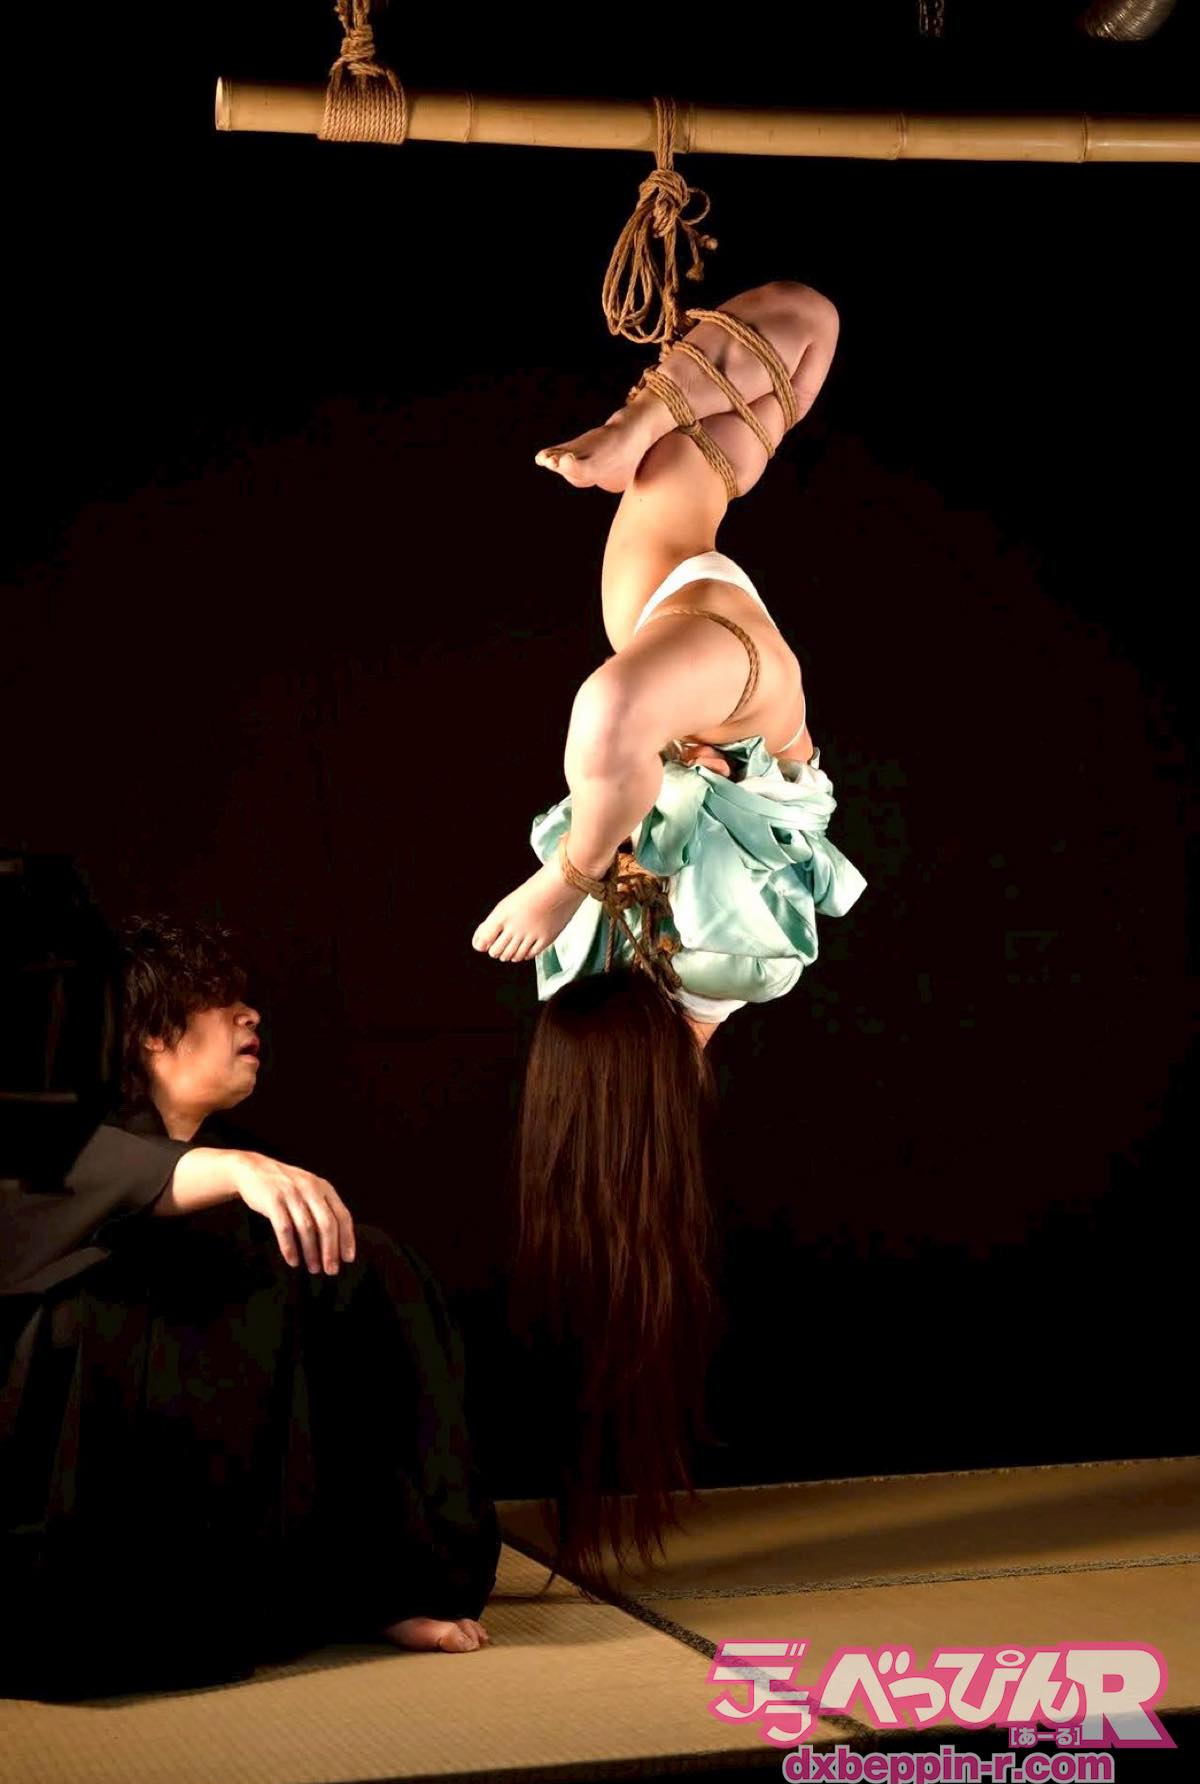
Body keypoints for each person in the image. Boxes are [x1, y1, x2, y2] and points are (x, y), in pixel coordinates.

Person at [472, 281, 867, 1590]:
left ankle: (643, 421)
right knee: (606, 721)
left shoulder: (611, 992)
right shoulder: (721, 967)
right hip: (746, 726)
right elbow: (624, 761)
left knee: (786, 342)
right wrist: (569, 874)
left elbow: (797, 322)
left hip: (671, 671)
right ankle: (639, 427)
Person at [0, 916, 499, 1699]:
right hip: (70, 1504)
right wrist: (232, 1168)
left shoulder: (236, 1170)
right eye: (219, 1002)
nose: (250, 1015)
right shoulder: (53, 1136)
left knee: (362, 1266)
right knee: (106, 1310)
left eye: (246, 1001)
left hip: (241, 1493)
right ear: (149, 1032)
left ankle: (382, 1582)